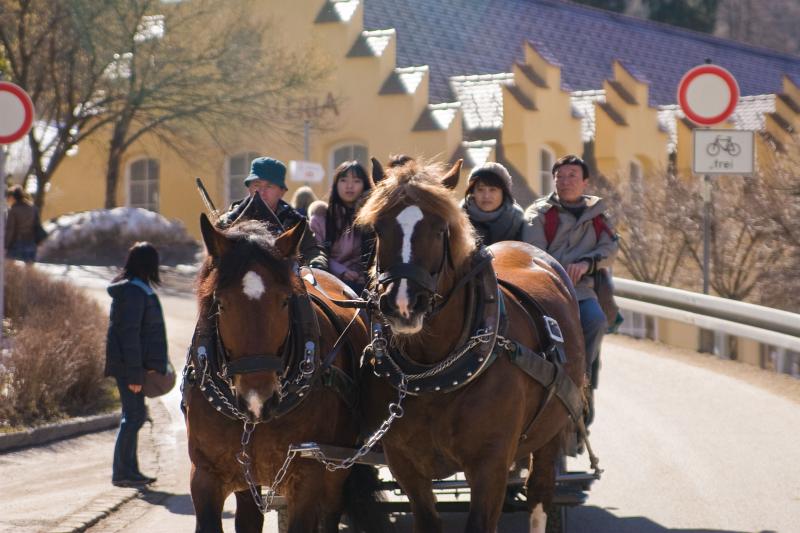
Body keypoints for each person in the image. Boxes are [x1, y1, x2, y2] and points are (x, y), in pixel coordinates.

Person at [521, 155, 618, 406]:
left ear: (585, 182)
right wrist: (562, 270)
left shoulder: (598, 215)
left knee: (595, 321)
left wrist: (588, 263)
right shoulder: (539, 213)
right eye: (559, 176)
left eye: (572, 176)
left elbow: (610, 248)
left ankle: (581, 379)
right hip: (547, 289)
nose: (565, 181)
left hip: (582, 290)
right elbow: (535, 251)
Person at [104, 242, 168, 487]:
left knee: (135, 416)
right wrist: (134, 375)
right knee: (133, 417)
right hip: (130, 368)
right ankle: (122, 473)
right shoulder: (133, 292)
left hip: (134, 367)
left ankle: (130, 470)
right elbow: (130, 335)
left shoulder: (138, 289)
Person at [217, 156, 324, 267]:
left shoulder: (296, 223)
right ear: (248, 188)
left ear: (282, 192)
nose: (261, 192)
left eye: (269, 186)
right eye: (256, 185)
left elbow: (313, 250)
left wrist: (317, 263)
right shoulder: (228, 222)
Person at [309, 161, 374, 294]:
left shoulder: (372, 220)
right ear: (335, 184)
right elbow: (314, 251)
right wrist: (341, 271)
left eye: (356, 181)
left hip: (366, 288)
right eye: (343, 180)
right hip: (328, 286)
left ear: (365, 185)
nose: (349, 186)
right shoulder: (321, 218)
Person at [461, 162, 525, 245]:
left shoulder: (518, 220)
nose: (486, 196)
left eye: (493, 190)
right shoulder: (459, 218)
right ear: (472, 192)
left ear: (504, 192)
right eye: (480, 189)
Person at [4, 185, 40, 263]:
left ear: (12, 197)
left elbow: (10, 229)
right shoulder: (33, 208)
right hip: (31, 242)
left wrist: (5, 245)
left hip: (17, 243)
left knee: (9, 265)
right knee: (29, 268)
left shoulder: (13, 211)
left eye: (8, 198)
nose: (7, 201)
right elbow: (37, 226)